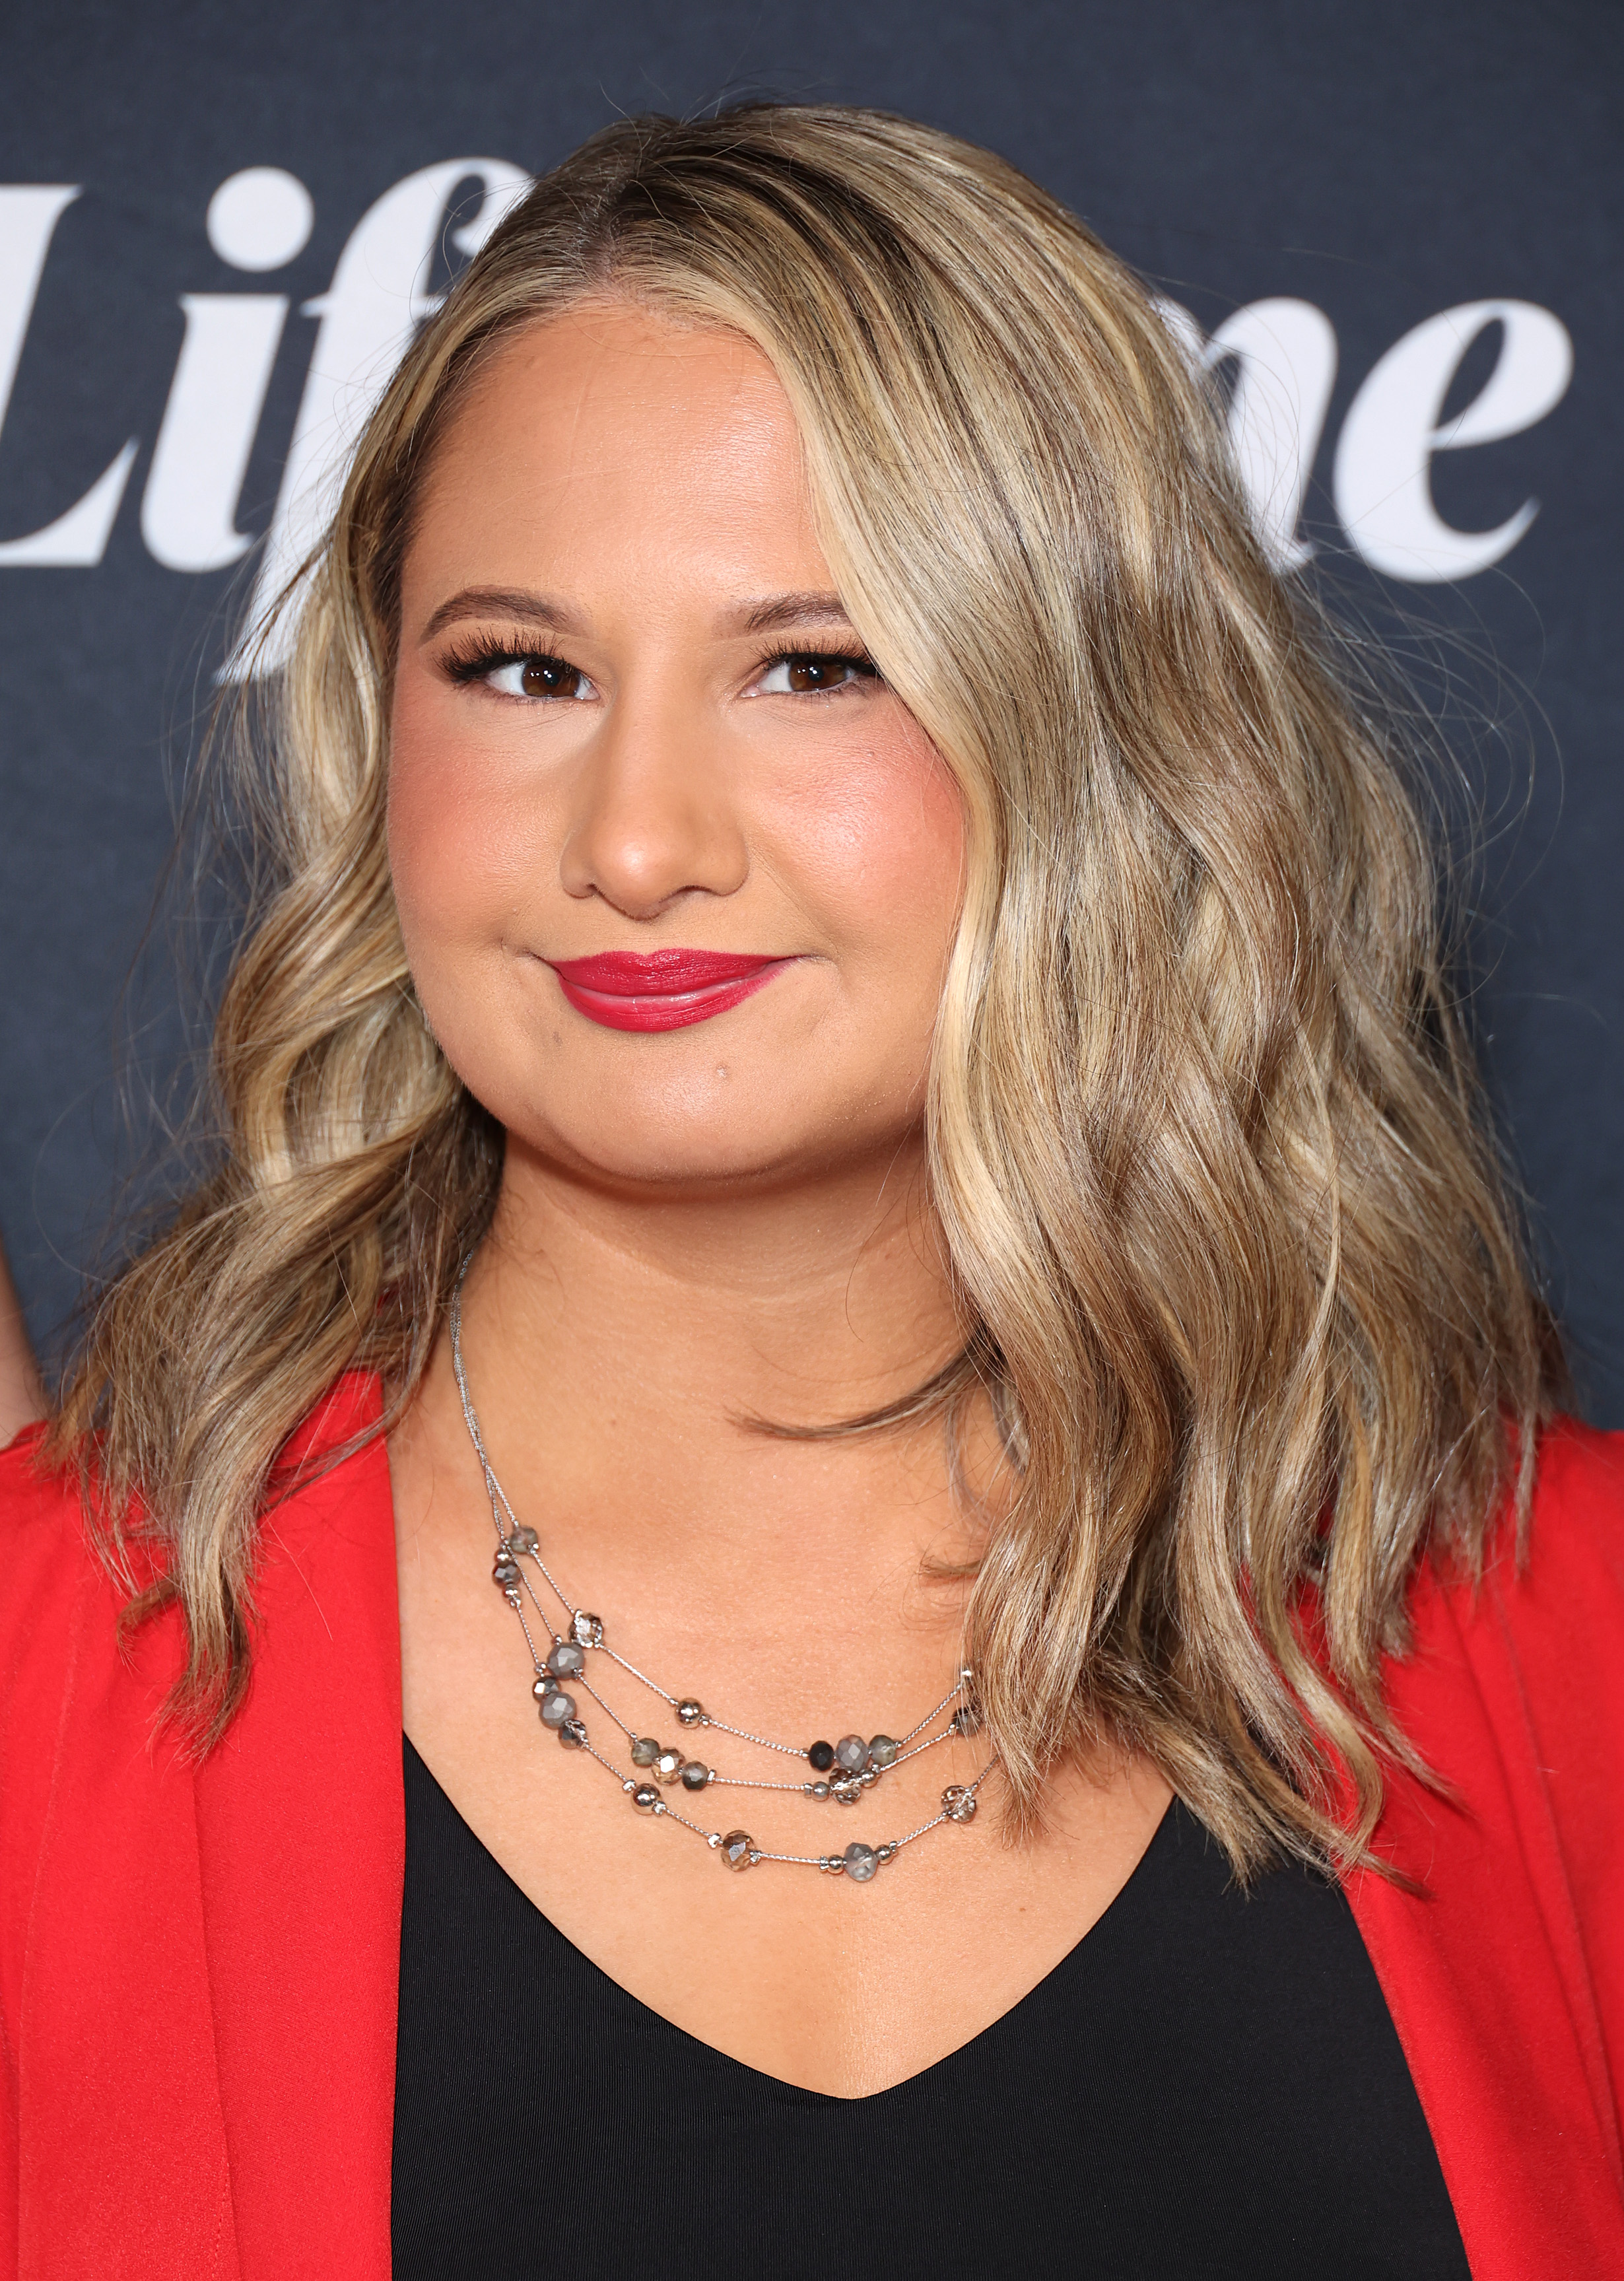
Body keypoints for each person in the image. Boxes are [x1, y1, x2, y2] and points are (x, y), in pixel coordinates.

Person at [2, 104, 1619, 2281]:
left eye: (812, 665)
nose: (640, 837)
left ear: (1105, 734)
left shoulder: (1561, 1635)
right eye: (520, 670)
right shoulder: (53, 1678)